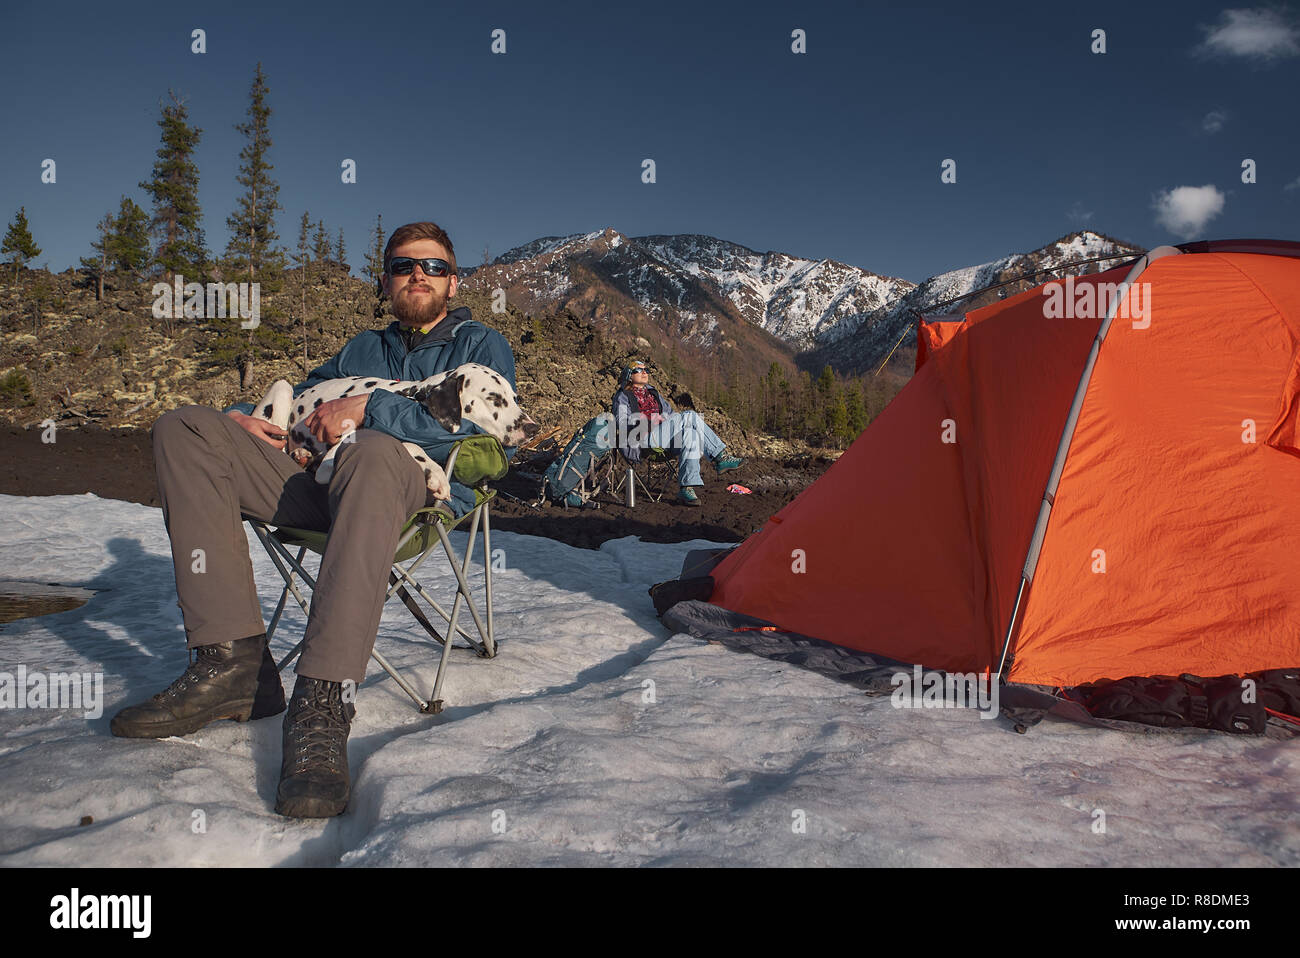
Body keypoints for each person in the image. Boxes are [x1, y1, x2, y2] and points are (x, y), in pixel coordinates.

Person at [110, 221, 518, 819]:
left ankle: (323, 702)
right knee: (187, 428)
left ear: (454, 282)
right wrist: (244, 418)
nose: (418, 276)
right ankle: (232, 664)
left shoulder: (482, 346)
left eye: (433, 266)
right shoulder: (361, 348)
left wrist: (373, 410)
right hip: (317, 483)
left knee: (372, 449)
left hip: (410, 492)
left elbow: (493, 439)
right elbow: (305, 400)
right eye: (404, 265)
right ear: (385, 280)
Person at [611, 360, 743, 506]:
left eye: (646, 370)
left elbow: (670, 414)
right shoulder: (622, 396)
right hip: (642, 439)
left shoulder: (652, 392)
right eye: (639, 370)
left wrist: (666, 421)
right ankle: (720, 457)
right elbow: (622, 423)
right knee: (690, 415)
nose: (644, 373)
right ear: (629, 375)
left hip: (662, 437)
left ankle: (686, 488)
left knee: (690, 435)